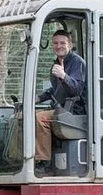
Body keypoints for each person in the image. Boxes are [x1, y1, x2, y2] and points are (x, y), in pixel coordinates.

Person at [34, 29, 86, 174]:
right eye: (55, 43)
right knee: (21, 117)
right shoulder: (56, 64)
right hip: (60, 108)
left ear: (70, 44)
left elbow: (76, 90)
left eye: (62, 43)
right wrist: (37, 98)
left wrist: (64, 76)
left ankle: (43, 162)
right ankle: (18, 159)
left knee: (40, 118)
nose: (59, 46)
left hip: (74, 110)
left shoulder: (77, 63)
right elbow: (55, 90)